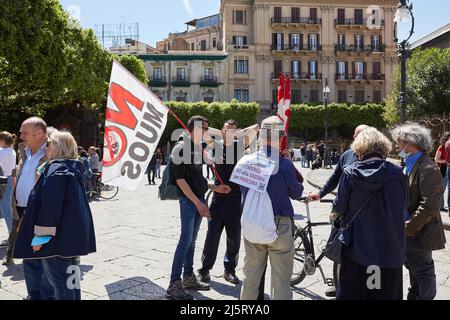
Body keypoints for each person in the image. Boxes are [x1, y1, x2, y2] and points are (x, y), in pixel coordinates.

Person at [14, 131, 96, 300]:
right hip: (71, 238)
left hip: (57, 241)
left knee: (60, 283)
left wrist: (40, 238)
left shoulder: (57, 170)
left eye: (49, 143)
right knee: (71, 282)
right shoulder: (71, 167)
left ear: (59, 147)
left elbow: (51, 208)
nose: (46, 146)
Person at [333, 127, 407, 300]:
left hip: (357, 249)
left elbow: (340, 207)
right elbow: (403, 207)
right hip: (389, 248)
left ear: (359, 148)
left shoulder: (350, 173)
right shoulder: (397, 174)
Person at [166, 115, 231, 301]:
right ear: (193, 129)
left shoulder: (195, 149)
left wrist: (214, 187)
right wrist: (197, 202)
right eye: (204, 128)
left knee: (192, 240)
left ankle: (188, 277)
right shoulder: (180, 149)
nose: (207, 131)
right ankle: (173, 284)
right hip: (189, 202)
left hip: (197, 199)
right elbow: (181, 181)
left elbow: (197, 180)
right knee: (185, 240)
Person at [240, 116, 304, 301]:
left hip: (252, 223)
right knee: (281, 281)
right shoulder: (284, 164)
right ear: (281, 136)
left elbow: (243, 190)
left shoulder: (245, 162)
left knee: (250, 277)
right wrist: (290, 164)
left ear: (261, 134)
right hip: (279, 225)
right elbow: (297, 193)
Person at [308, 124, 369, 297]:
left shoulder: (374, 157)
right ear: (354, 136)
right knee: (338, 249)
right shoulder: (347, 155)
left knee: (361, 252)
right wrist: (320, 193)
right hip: (343, 212)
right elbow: (335, 177)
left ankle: (361, 285)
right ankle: (338, 283)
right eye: (359, 135)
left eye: (365, 135)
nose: (362, 138)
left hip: (362, 214)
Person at [198, 120, 258, 286]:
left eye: (234, 131)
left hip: (235, 198)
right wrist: (222, 132)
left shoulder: (240, 147)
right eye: (227, 130)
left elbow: (255, 128)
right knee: (212, 235)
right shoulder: (216, 145)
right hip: (218, 197)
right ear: (222, 132)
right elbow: (202, 132)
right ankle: (204, 270)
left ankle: (229, 270)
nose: (230, 133)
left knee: (234, 237)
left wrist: (235, 133)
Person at [392, 123, 447, 300]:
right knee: (413, 269)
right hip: (408, 230)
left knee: (423, 272)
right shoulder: (409, 164)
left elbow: (430, 205)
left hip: (418, 231)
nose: (397, 146)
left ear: (411, 143)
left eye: (399, 142)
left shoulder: (427, 167)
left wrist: (408, 227)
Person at [2, 118, 55, 299]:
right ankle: (34, 294)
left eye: (24, 132)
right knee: (29, 257)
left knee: (45, 257)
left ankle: (47, 296)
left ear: (39, 133)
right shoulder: (24, 152)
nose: (20, 135)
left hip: (42, 212)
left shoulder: (53, 151)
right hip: (22, 211)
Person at [0, 132, 17, 238]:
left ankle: (13, 235)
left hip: (3, 181)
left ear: (2, 141)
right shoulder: (12, 151)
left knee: (5, 208)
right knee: (6, 207)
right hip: (10, 179)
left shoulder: (2, 152)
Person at [435, 132, 450, 211]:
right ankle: (440, 206)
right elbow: (436, 159)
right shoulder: (441, 147)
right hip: (443, 169)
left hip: (448, 168)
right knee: (442, 189)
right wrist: (446, 161)